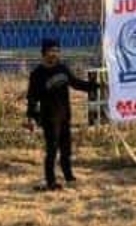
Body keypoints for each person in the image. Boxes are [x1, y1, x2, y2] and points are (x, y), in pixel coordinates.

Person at [25, 38, 94, 191]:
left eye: (57, 51)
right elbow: (31, 97)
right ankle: (51, 182)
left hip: (64, 115)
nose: (54, 54)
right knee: (52, 150)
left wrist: (94, 86)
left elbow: (76, 83)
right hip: (48, 117)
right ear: (44, 53)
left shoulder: (62, 69)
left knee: (66, 149)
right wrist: (31, 117)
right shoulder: (37, 74)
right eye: (51, 51)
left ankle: (68, 175)